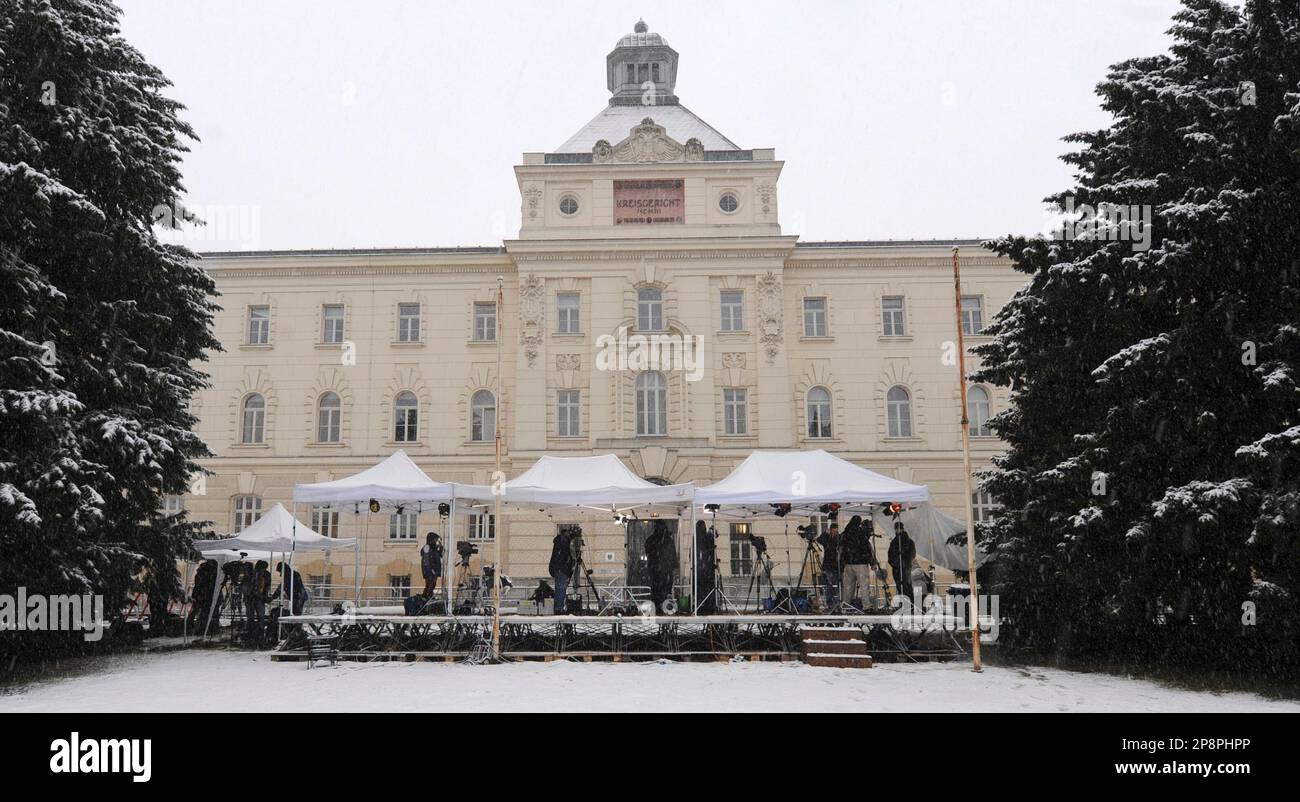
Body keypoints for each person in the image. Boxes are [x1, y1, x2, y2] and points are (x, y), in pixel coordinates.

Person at [839, 515, 880, 610]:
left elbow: (841, 549)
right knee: (864, 586)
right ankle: (866, 606)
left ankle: (846, 605)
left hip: (848, 564)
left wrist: (843, 562)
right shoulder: (861, 534)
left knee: (848, 587)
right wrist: (872, 562)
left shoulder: (845, 533)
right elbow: (867, 549)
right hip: (860, 563)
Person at [645, 521, 677, 613]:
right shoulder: (664, 540)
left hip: (661, 570)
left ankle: (660, 606)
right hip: (660, 570)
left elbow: (671, 555)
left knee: (660, 590)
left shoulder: (653, 540)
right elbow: (672, 555)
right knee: (660, 590)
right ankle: (660, 606)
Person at [887, 521, 917, 604]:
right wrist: (894, 563)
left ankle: (910, 603)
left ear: (902, 529)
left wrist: (904, 560)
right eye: (896, 529)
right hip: (897, 568)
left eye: (899, 529)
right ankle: (904, 603)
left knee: (907, 585)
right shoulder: (894, 542)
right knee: (899, 586)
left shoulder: (909, 541)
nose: (897, 531)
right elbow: (890, 555)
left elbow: (912, 554)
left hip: (905, 567)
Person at [548, 526, 575, 614]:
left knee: (560, 589)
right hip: (561, 569)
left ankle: (558, 608)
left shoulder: (560, 541)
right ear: (565, 533)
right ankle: (558, 609)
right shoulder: (563, 541)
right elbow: (565, 556)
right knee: (561, 589)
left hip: (559, 569)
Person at [694, 520, 718, 614]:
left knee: (703, 590)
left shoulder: (700, 538)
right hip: (704, 570)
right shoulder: (701, 538)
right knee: (705, 589)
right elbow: (705, 552)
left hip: (703, 570)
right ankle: (706, 606)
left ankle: (705, 606)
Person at [815, 522, 841, 605]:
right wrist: (824, 533)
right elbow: (818, 540)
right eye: (833, 530)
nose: (834, 532)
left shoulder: (839, 538)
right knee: (828, 584)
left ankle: (838, 601)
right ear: (831, 530)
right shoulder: (826, 537)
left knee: (837, 583)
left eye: (836, 531)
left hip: (836, 564)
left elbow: (838, 545)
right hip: (828, 564)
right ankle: (829, 601)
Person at [247, 560, 271, 639]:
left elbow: (267, 586)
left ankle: (260, 631)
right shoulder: (252, 573)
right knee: (250, 615)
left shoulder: (267, 575)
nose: (262, 570)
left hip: (260, 598)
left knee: (261, 615)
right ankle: (250, 631)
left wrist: (264, 596)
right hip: (250, 597)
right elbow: (248, 585)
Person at [420, 532, 443, 596]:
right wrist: (432, 571)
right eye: (435, 540)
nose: (436, 541)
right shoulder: (427, 548)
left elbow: (440, 556)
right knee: (429, 586)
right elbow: (426, 561)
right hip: (430, 572)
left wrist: (440, 548)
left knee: (432, 586)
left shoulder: (434, 548)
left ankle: (429, 597)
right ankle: (425, 598)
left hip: (434, 571)